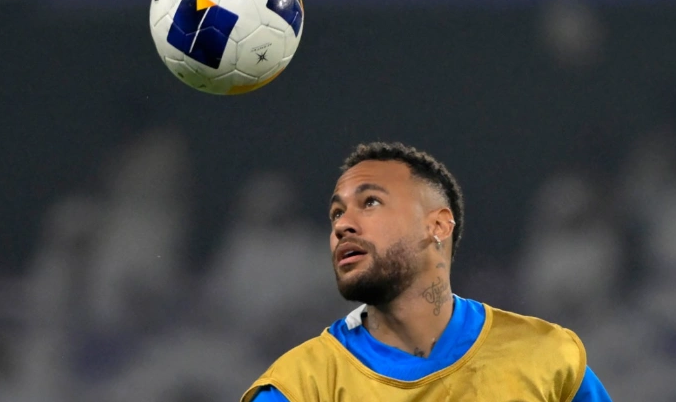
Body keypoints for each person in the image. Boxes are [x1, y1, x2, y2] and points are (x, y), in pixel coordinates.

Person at [240, 142, 613, 402]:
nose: (343, 225)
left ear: (437, 226)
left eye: (371, 203)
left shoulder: (548, 360)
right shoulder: (298, 388)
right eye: (337, 213)